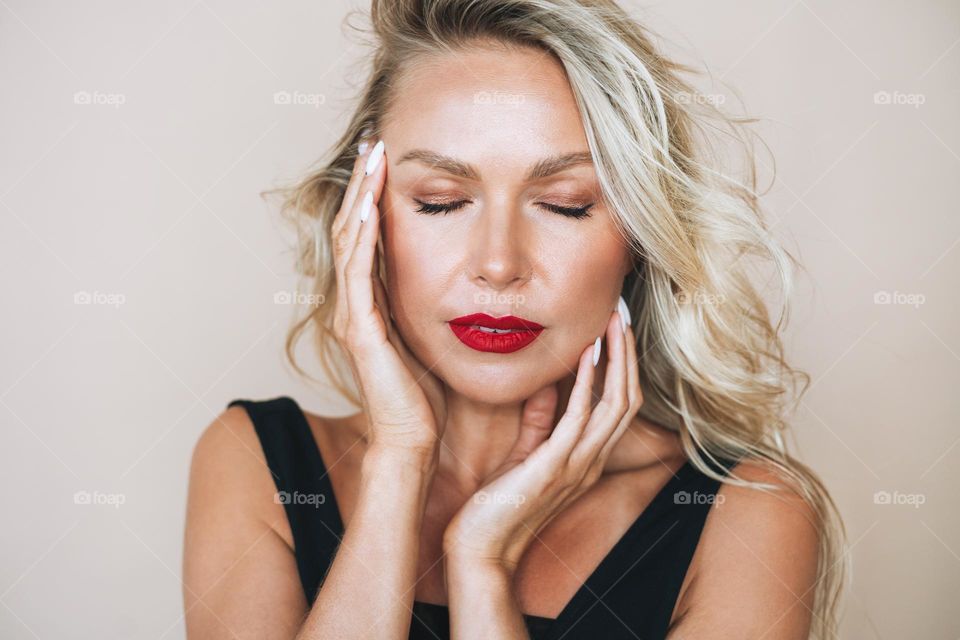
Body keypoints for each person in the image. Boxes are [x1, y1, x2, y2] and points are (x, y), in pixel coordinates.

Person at [183, 1, 846, 638]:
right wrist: (398, 460)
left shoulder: (746, 513)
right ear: (364, 218)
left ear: (640, 239)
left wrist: (483, 567)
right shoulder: (255, 463)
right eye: (440, 202)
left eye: (566, 204)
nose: (498, 265)